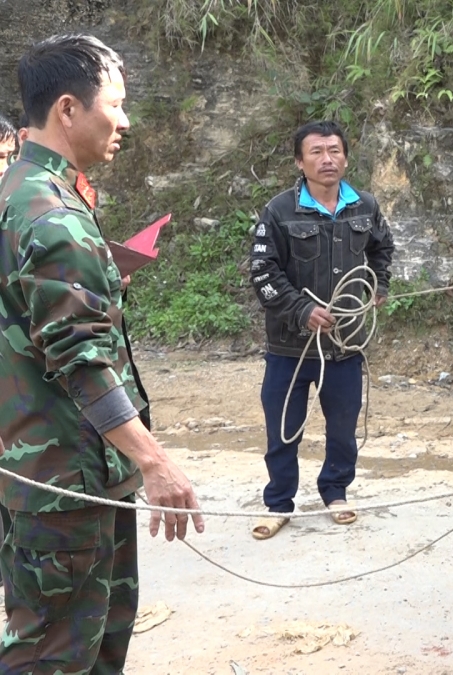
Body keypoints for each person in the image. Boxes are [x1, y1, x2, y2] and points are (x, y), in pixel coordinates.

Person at [0, 34, 204, 672]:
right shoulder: (50, 212)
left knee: (93, 642)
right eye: (114, 105)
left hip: (47, 469)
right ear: (67, 109)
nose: (125, 121)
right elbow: (81, 359)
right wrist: (156, 463)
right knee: (55, 655)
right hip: (67, 484)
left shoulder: (21, 190)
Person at [248, 120, 394, 540]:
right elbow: (263, 270)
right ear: (300, 162)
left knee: (343, 427)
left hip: (344, 345)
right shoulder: (279, 211)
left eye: (334, 150)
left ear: (345, 158)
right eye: (316, 151)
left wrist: (378, 286)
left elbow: (382, 249)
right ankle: (278, 503)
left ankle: (335, 492)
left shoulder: (365, 206)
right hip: (289, 347)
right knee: (281, 428)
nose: (327, 159)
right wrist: (301, 310)